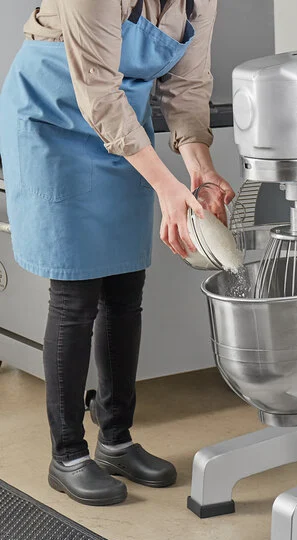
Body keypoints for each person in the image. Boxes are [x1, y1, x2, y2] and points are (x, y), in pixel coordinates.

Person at [0, 0, 234, 506]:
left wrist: (201, 169)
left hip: (123, 127)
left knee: (126, 288)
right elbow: (98, 93)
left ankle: (115, 438)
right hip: (54, 118)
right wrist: (168, 190)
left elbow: (187, 85)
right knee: (75, 293)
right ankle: (66, 455)